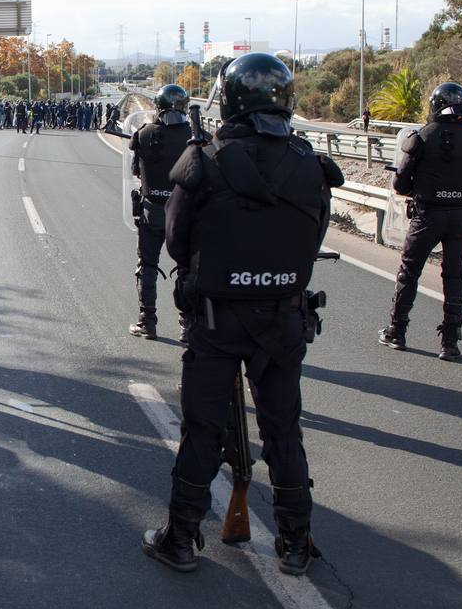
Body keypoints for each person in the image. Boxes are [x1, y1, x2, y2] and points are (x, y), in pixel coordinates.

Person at [143, 53, 344, 576]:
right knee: (284, 431)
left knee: (202, 432)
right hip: (283, 320)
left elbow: (176, 240)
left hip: (215, 321)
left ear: (230, 99)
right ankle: (296, 542)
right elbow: (314, 236)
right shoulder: (310, 163)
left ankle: (181, 536)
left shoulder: (204, 158)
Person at [379, 82, 462, 360]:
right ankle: (450, 343)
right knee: (455, 275)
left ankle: (397, 332)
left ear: (434, 105)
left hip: (428, 215)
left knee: (410, 272)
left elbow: (400, 185)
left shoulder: (422, 137)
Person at [127, 84, 192, 341]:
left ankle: (148, 321)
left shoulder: (144, 135)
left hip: (152, 211)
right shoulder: (196, 136)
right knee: (188, 269)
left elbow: (135, 171)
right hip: (186, 215)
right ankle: (187, 326)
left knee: (147, 266)